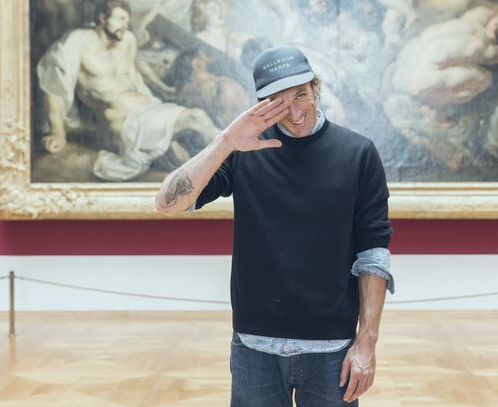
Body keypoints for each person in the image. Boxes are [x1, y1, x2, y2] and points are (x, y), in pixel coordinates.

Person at [156, 46, 394, 406]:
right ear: (262, 104)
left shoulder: (358, 153)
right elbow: (167, 205)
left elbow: (373, 254)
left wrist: (367, 341)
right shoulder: (242, 151)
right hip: (255, 346)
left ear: (316, 88)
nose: (296, 112)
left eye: (301, 95)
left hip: (332, 349)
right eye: (279, 102)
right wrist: (224, 143)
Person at [37, 0, 219, 181]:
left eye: (127, 20)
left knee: (185, 153)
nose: (125, 25)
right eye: (120, 19)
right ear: (102, 18)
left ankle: (235, 166)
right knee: (197, 118)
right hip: (122, 124)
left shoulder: (127, 40)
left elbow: (134, 79)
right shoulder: (77, 43)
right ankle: (240, 160)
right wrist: (57, 132)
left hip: (149, 111)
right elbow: (54, 87)